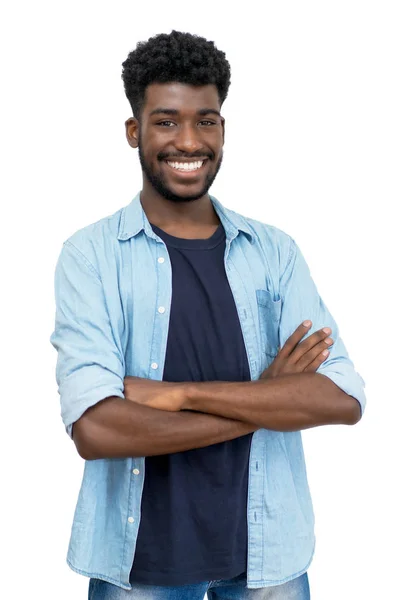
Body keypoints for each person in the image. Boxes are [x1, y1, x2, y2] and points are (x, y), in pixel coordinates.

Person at [50, 30, 366, 600]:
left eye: (207, 120)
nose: (189, 140)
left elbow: (339, 399)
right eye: (167, 121)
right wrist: (265, 401)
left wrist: (175, 393)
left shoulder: (273, 251)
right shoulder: (90, 256)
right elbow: (96, 429)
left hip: (269, 564)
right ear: (134, 131)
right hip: (140, 570)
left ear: (223, 129)